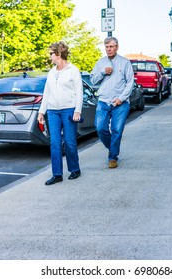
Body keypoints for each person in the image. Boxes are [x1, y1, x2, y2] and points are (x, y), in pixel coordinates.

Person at [37, 41, 83, 185]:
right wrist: (41, 112)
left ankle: (74, 169)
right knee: (55, 143)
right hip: (52, 111)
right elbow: (47, 92)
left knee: (69, 142)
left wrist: (77, 110)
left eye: (51, 53)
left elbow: (79, 92)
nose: (49, 56)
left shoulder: (73, 70)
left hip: (68, 110)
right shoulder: (51, 72)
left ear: (58, 54)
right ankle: (57, 174)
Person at [90, 37, 134, 168]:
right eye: (107, 47)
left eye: (111, 46)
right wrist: (103, 72)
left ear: (117, 47)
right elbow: (93, 81)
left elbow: (130, 82)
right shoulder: (100, 62)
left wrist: (121, 98)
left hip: (120, 102)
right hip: (103, 101)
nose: (109, 49)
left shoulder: (125, 63)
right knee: (100, 128)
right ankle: (112, 148)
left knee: (116, 130)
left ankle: (113, 157)